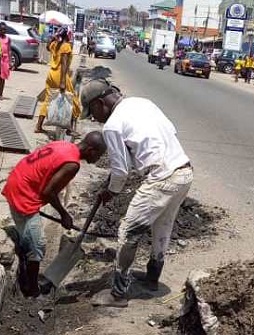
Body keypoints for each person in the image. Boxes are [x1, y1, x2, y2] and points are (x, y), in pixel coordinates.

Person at [80, 78, 194, 308]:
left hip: (162, 177)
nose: (94, 119)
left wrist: (110, 192)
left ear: (100, 103)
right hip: (184, 171)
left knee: (128, 231)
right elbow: (170, 130)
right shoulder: (142, 103)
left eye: (92, 112)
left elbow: (120, 171)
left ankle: (118, 294)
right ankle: (152, 278)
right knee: (162, 226)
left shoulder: (112, 125)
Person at [2, 131, 107, 297]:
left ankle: (24, 255)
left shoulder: (64, 145)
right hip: (23, 195)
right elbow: (48, 192)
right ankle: (32, 291)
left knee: (30, 239)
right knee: (38, 246)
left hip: (17, 181)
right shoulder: (73, 164)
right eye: (99, 155)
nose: (98, 160)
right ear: (91, 150)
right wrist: (64, 214)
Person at [35, 26, 81, 133]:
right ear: (67, 35)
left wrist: (53, 38)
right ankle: (70, 129)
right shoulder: (66, 46)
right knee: (73, 101)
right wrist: (63, 82)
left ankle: (38, 126)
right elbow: (64, 63)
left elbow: (47, 47)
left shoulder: (55, 44)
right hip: (60, 75)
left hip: (51, 74)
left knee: (47, 99)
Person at [0, 22, 11, 100]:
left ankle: (0, 93)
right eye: (1, 29)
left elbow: (9, 50)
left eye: (4, 29)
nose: (3, 31)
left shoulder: (8, 39)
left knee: (2, 77)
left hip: (5, 59)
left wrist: (10, 62)